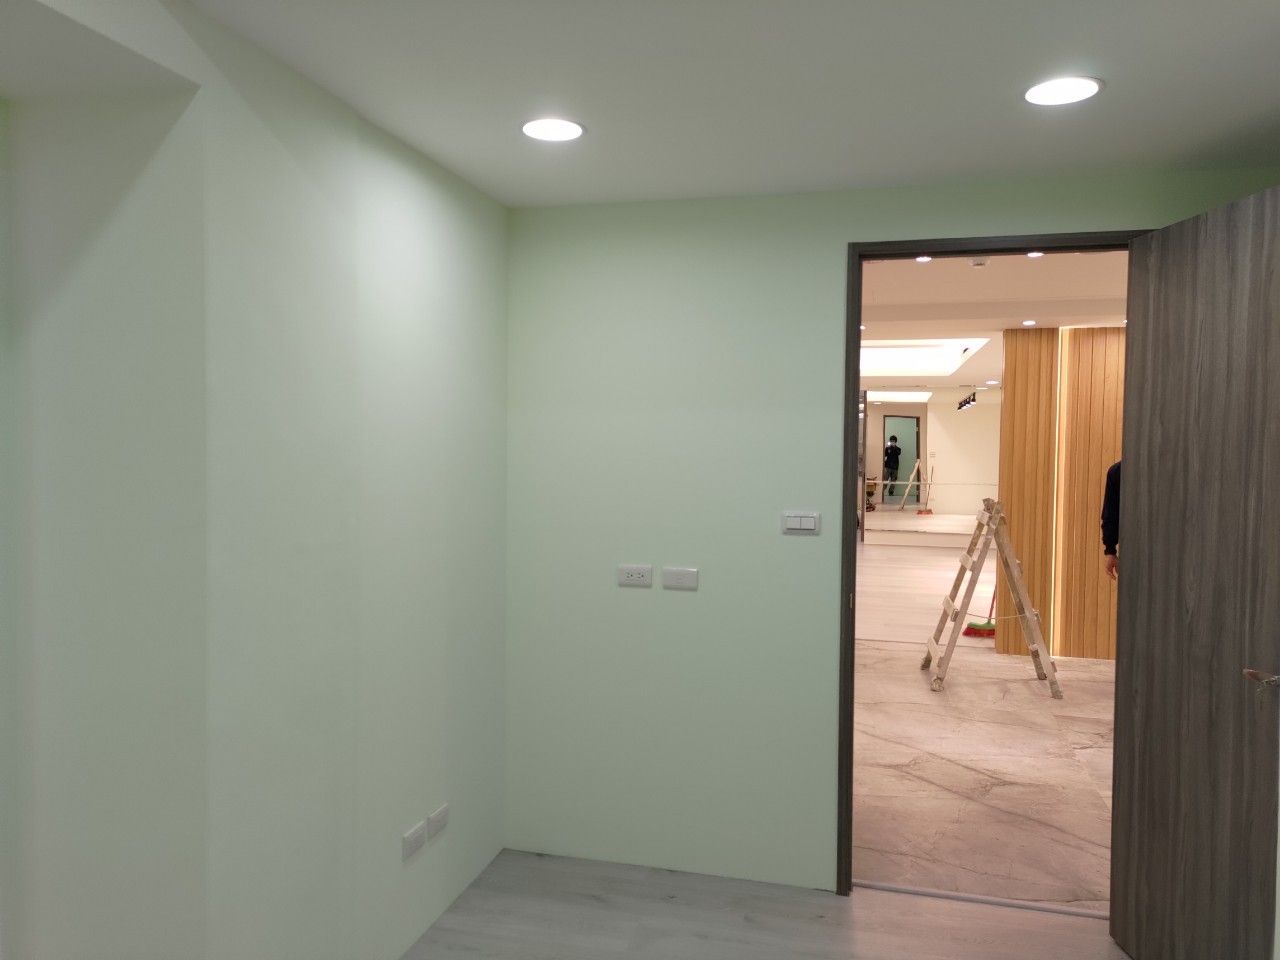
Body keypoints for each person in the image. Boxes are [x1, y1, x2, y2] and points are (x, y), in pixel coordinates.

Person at [1101, 460, 1121, 579]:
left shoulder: (1117, 472)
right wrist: (1110, 550)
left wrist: (1110, 550)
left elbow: (1110, 514)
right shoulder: (1117, 473)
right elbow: (1110, 514)